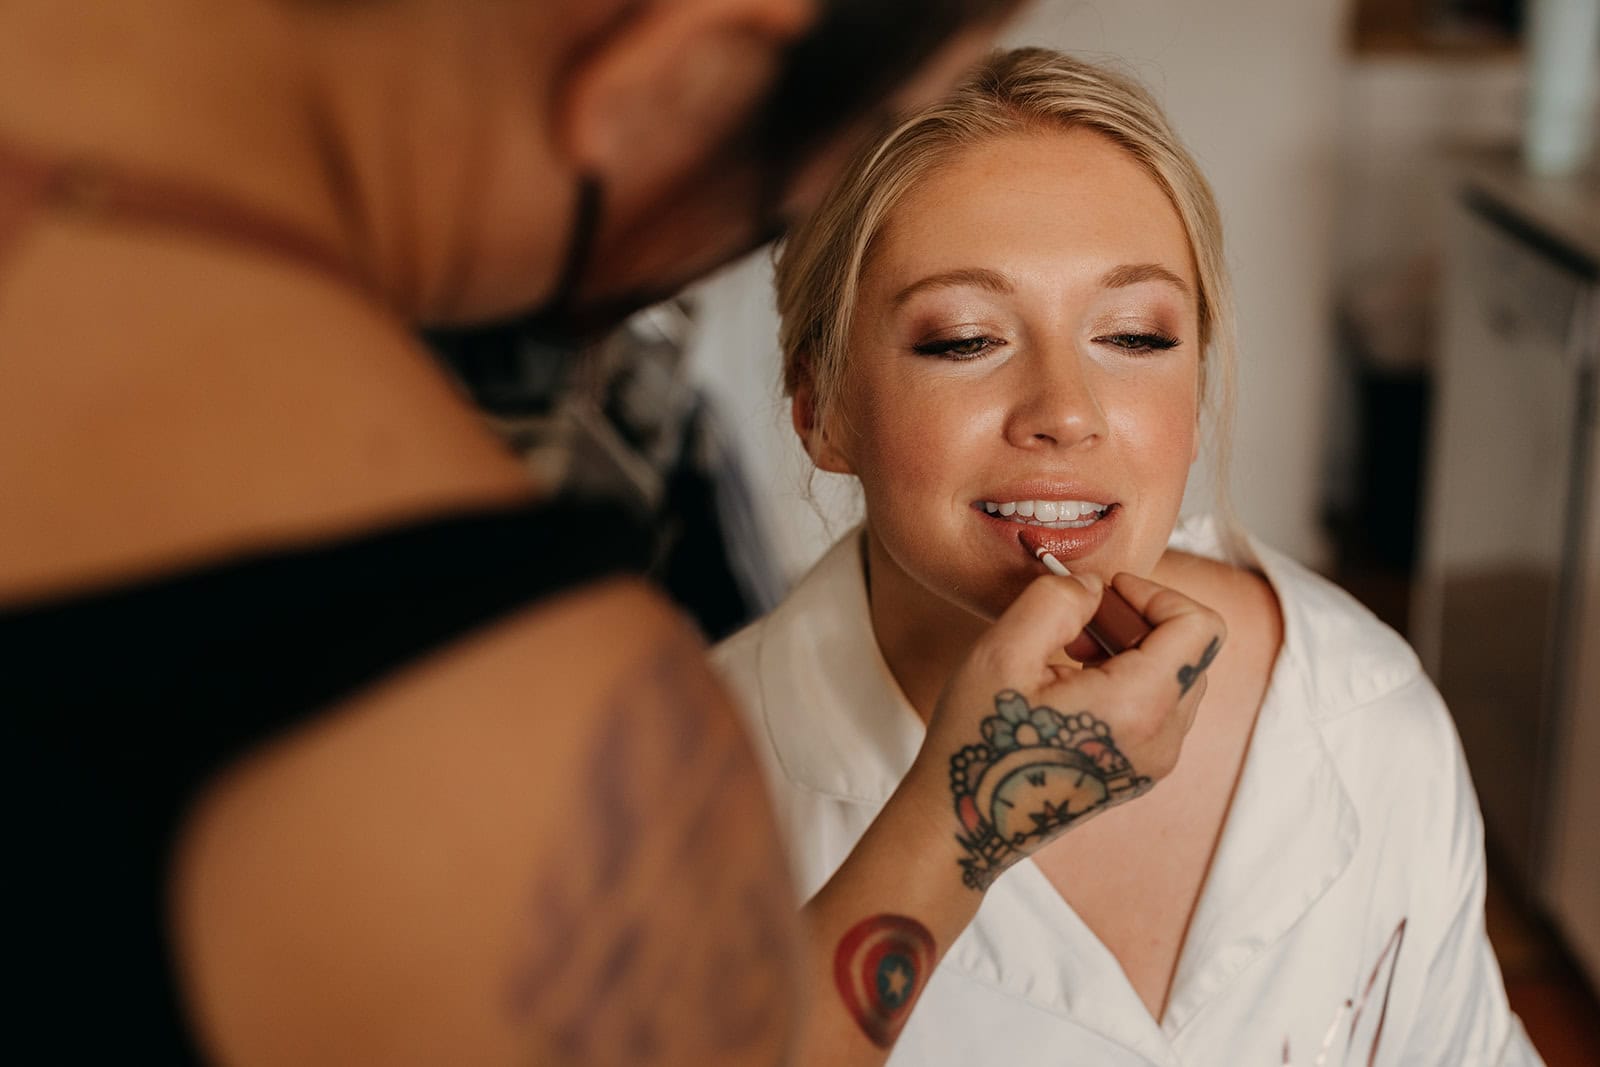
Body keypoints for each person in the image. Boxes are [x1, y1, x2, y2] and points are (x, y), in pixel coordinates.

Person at [0, 1, 1104, 1063]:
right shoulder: (527, 738)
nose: (1063, 411)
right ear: (681, 65)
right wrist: (968, 815)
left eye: (1136, 332)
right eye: (855, 137)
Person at [713, 48, 1542, 1065]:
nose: (1065, 411)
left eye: (1136, 337)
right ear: (821, 411)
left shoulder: (1361, 709)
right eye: (966, 339)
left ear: (1195, 398)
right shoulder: (682, 791)